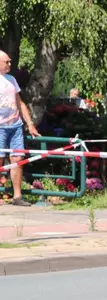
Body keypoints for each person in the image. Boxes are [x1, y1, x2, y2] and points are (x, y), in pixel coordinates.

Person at [0, 50, 40, 206]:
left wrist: (29, 124)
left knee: (18, 160)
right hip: (0, 127)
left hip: (15, 126)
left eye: (10, 61)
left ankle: (17, 196)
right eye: (6, 62)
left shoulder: (12, 80)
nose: (10, 64)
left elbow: (20, 103)